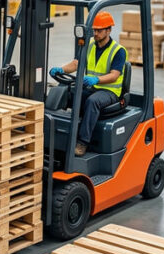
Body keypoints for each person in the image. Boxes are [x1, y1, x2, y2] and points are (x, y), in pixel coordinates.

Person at [49, 11, 127, 156]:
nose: (95, 33)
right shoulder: (90, 45)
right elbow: (76, 64)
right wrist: (61, 69)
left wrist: (96, 79)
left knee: (92, 101)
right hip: (93, 87)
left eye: (99, 30)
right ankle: (60, 131)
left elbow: (114, 75)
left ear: (108, 30)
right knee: (67, 92)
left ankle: (82, 142)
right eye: (94, 30)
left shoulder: (118, 51)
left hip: (110, 92)